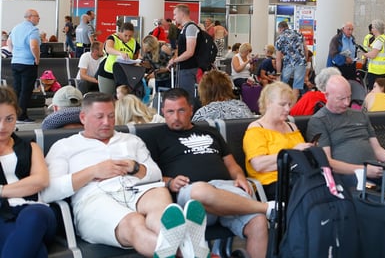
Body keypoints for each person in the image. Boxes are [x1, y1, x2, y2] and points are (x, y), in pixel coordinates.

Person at [42, 92, 201, 257]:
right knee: (134, 223)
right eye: (99, 117)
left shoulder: (131, 140)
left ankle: (184, 247)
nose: (107, 122)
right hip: (95, 200)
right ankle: (190, 250)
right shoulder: (64, 146)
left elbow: (156, 174)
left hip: (138, 190)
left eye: (111, 116)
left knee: (159, 196)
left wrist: (135, 168)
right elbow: (48, 192)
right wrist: (92, 172)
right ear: (83, 117)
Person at [143, 88, 273, 258]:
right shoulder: (155, 136)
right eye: (170, 112)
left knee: (258, 223)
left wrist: (240, 177)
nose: (175, 117)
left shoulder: (210, 132)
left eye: (181, 110)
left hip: (227, 192)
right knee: (200, 191)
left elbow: (231, 165)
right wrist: (169, 182)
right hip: (191, 198)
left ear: (191, 109)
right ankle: (267, 207)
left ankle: (263, 211)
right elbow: (148, 173)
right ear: (163, 112)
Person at [306, 76, 385, 196]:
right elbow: (326, 163)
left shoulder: (360, 116)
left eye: (349, 97)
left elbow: (377, 151)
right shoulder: (319, 121)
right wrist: (363, 171)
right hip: (350, 179)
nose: (346, 103)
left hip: (377, 173)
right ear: (326, 96)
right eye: (341, 99)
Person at [0, 86, 57, 258]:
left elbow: (40, 181)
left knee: (34, 216)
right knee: (36, 251)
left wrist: (1, 190)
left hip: (36, 211)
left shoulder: (31, 147)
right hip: (3, 216)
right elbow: (33, 181)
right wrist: (24, 186)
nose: (2, 126)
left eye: (9, 119)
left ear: (17, 117)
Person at [243, 82, 313, 199]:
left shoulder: (292, 127)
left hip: (297, 178)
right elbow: (259, 165)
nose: (288, 109)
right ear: (268, 103)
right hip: (272, 183)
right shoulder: (256, 129)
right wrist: (292, 152)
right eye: (282, 104)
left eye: (289, 104)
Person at [7, 9, 41, 123]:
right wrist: (36, 58)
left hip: (15, 62)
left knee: (17, 89)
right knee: (26, 90)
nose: (38, 19)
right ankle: (21, 116)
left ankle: (13, 114)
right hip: (28, 63)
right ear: (30, 17)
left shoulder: (16, 28)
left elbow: (8, 43)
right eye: (37, 16)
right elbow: (34, 46)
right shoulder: (33, 30)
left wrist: (15, 54)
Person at [96, 22, 140, 96]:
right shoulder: (112, 38)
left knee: (122, 98)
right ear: (120, 32)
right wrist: (120, 53)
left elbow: (134, 57)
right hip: (108, 72)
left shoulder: (134, 43)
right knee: (107, 98)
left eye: (130, 36)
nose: (127, 38)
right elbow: (108, 49)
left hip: (123, 74)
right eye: (125, 35)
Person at [167, 4, 200, 100]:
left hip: (189, 69)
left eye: (175, 14)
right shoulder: (184, 28)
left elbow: (190, 52)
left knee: (187, 98)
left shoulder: (190, 28)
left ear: (182, 14)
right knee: (182, 96)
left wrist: (175, 60)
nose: (174, 17)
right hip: (184, 69)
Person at [275, 21, 307, 99]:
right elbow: (305, 49)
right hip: (301, 63)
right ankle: (292, 109)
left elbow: (278, 59)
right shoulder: (299, 34)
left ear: (280, 29)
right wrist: (304, 60)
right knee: (296, 87)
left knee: (282, 85)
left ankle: (283, 104)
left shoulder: (280, 38)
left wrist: (278, 74)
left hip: (289, 63)